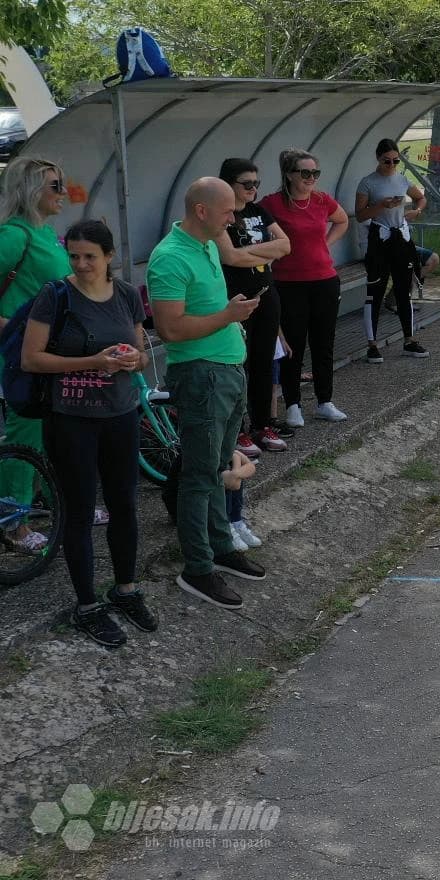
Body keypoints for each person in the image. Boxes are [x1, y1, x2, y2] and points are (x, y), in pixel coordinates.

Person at [21, 220, 154, 647]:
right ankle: (87, 605)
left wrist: (132, 360)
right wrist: (94, 361)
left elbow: (141, 354)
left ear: (109, 256)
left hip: (121, 414)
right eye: (74, 256)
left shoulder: (127, 295)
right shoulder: (55, 295)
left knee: (124, 505)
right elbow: (32, 359)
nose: (80, 264)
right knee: (78, 511)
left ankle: (126, 588)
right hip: (71, 418)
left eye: (89, 257)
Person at [149, 177, 267, 610]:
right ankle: (197, 568)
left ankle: (220, 546)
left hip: (226, 371)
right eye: (227, 211)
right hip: (201, 376)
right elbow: (170, 329)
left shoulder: (207, 245)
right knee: (199, 476)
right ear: (201, 211)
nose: (233, 218)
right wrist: (228, 316)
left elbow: (207, 311)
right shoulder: (170, 257)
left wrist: (231, 314)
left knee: (216, 467)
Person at [0, 157, 73, 552]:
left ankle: (57, 504)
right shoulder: (14, 235)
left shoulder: (45, 232)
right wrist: (12, 325)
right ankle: (14, 523)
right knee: (26, 433)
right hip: (20, 353)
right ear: (30, 190)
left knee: (53, 431)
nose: (64, 193)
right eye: (55, 186)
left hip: (48, 351)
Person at [260, 148, 350, 429]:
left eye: (315, 173)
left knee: (324, 343)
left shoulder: (321, 199)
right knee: (293, 346)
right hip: (289, 284)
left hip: (324, 279)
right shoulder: (272, 203)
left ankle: (325, 401)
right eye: (305, 173)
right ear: (289, 175)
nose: (311, 178)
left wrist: (326, 244)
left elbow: (342, 220)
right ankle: (293, 405)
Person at [215, 157, 292, 454]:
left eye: (256, 183)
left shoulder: (258, 210)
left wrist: (249, 252)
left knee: (263, 360)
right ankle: (237, 430)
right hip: (236, 298)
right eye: (246, 184)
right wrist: (266, 251)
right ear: (228, 184)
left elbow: (286, 245)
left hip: (266, 293)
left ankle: (262, 424)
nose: (253, 189)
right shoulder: (223, 216)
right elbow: (230, 257)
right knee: (238, 363)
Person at [354, 138, 432, 363]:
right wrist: (381, 205)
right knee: (375, 291)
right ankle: (372, 344)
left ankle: (409, 340)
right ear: (378, 159)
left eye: (396, 161)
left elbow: (421, 198)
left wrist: (416, 211)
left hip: (400, 238)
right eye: (386, 161)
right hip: (379, 238)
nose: (391, 165)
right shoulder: (368, 183)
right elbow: (360, 215)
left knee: (403, 290)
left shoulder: (402, 179)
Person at [223, 450, 261, 552]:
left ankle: (236, 521)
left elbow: (251, 467)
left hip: (230, 470)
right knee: (230, 478)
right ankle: (226, 525)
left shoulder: (232, 451)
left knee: (234, 470)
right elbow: (235, 485)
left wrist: (235, 473)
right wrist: (238, 470)